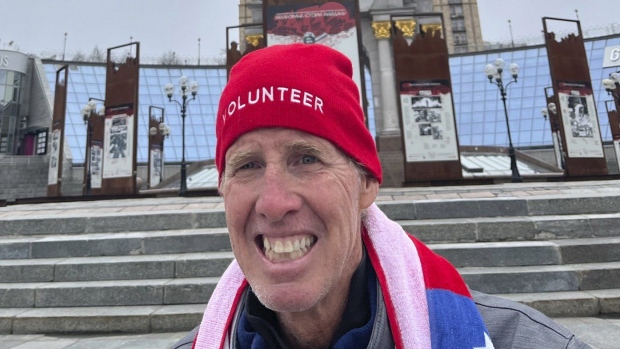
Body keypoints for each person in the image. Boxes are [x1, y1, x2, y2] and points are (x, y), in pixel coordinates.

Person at [173, 44, 590, 349]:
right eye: (247, 165)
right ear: (223, 188)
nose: (274, 202)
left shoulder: (521, 342)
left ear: (367, 183)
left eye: (306, 158)